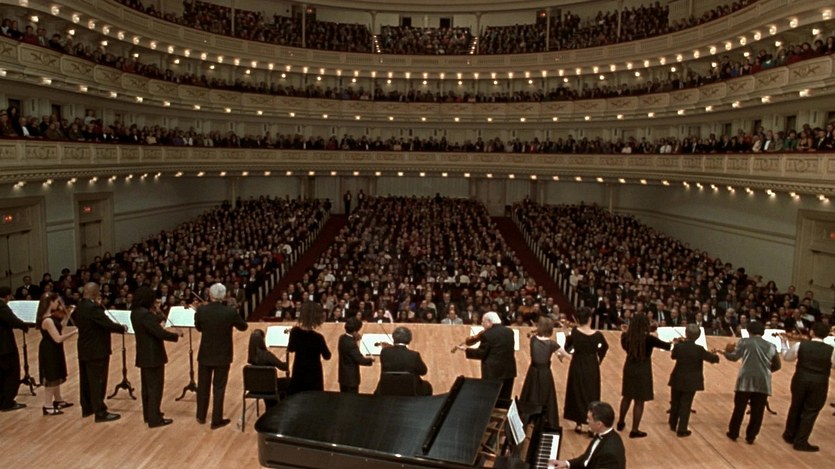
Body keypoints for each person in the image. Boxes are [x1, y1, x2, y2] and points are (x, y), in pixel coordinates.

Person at [195, 283, 248, 429]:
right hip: (223, 355)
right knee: (218, 388)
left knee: (203, 386)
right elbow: (243, 327)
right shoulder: (229, 312)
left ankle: (201, 416)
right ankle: (216, 420)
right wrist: (235, 312)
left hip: (205, 353)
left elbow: (199, 328)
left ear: (210, 295)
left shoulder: (201, 310)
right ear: (224, 296)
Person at [75, 282, 126, 422]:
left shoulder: (80, 306)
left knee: (86, 380)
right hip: (97, 350)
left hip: (84, 348)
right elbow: (107, 324)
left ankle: (87, 408)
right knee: (98, 381)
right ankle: (100, 412)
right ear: (95, 294)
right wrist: (122, 328)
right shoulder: (93, 309)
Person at [779, 322, 835, 451]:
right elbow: (833, 365)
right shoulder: (831, 350)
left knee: (796, 406)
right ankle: (801, 441)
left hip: (800, 379)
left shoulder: (800, 345)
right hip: (819, 382)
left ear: (811, 332)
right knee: (811, 411)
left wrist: (783, 343)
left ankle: (789, 434)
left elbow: (787, 357)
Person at [724, 320, 781, 444]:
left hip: (745, 380)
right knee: (758, 411)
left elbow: (734, 357)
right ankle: (751, 436)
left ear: (749, 331)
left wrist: (725, 352)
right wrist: (766, 371)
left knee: (739, 408)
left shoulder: (744, 342)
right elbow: (777, 365)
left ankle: (733, 433)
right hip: (763, 381)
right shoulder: (771, 346)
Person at [131, 286, 181, 428]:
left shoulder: (135, 313)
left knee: (147, 388)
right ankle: (155, 419)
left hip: (143, 354)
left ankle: (149, 415)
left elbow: (154, 322)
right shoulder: (146, 315)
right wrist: (176, 335)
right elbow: (160, 333)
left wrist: (158, 311)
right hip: (153, 355)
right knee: (155, 388)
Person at [616, 313, 671, 438]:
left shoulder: (626, 337)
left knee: (627, 396)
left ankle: (620, 422)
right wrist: (675, 341)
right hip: (643, 369)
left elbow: (625, 346)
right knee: (639, 401)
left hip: (629, 367)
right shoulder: (649, 339)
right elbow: (667, 346)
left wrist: (624, 332)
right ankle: (634, 430)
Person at [667, 324, 720, 436]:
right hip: (692, 380)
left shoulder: (679, 346)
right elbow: (714, 359)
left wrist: (678, 343)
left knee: (675, 401)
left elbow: (673, 356)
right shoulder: (699, 349)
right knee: (686, 404)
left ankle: (672, 424)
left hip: (677, 377)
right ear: (698, 336)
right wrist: (714, 354)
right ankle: (682, 429)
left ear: (686, 333)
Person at [564, 307, 609, 434]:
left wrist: (567, 335)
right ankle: (590, 426)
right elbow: (605, 347)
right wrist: (598, 359)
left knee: (576, 392)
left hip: (577, 363)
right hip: (591, 365)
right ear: (590, 319)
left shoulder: (575, 332)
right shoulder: (598, 335)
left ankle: (578, 424)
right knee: (591, 393)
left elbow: (568, 348)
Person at [519, 317, 568, 428]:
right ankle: (544, 419)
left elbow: (530, 334)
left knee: (531, 393)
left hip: (533, 372)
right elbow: (565, 354)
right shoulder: (552, 344)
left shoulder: (533, 339)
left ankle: (529, 419)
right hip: (545, 373)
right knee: (545, 395)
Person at [459, 311, 516, 402]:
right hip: (509, 371)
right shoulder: (510, 332)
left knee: (491, 400)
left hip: (493, 372)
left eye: (483, 322)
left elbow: (481, 353)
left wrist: (466, 349)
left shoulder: (487, 334)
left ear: (489, 322)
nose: (482, 324)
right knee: (504, 399)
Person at [550, 401, 626, 469]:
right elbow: (587, 459)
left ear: (599, 424)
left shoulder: (609, 455)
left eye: (589, 419)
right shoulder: (602, 434)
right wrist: (567, 463)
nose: (587, 421)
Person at [36, 292, 77, 415]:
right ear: (51, 302)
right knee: (51, 377)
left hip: (54, 349)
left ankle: (58, 400)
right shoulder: (47, 320)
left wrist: (68, 315)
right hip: (49, 350)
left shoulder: (51, 317)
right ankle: (47, 406)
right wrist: (75, 332)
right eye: (57, 302)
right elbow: (58, 338)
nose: (59, 304)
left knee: (56, 374)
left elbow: (59, 327)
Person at [287, 300, 331, 394]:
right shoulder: (318, 338)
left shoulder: (295, 332)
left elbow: (291, 349)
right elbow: (327, 356)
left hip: (299, 370)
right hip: (314, 374)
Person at [377, 326, 433, 396]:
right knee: (427, 386)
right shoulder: (414, 355)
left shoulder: (384, 352)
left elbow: (396, 358)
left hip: (387, 388)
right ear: (409, 339)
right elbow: (423, 371)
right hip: (410, 389)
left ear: (394, 338)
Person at [0, 286, 29, 412]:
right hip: (5, 347)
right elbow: (12, 320)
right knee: (11, 374)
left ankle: (2, 400)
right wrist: (24, 325)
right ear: (7, 296)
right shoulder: (2, 307)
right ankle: (7, 403)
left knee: (1, 375)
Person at [247, 329, 289, 406]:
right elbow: (283, 367)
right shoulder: (267, 355)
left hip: (256, 388)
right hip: (271, 386)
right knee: (290, 382)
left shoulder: (251, 358)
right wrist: (287, 360)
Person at [338, 317, 374, 393]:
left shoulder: (342, 338)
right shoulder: (351, 344)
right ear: (354, 331)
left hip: (343, 377)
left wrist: (355, 339)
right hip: (351, 380)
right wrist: (371, 359)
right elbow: (360, 360)